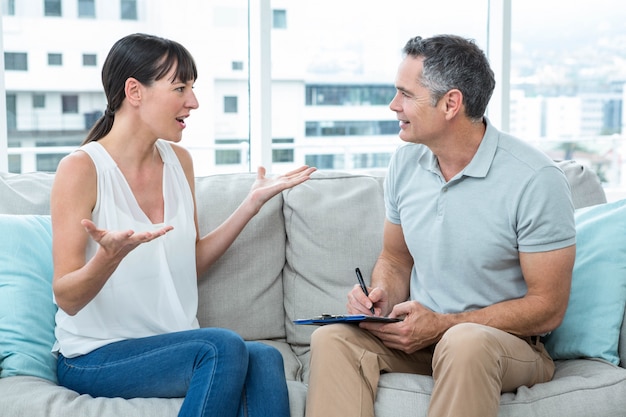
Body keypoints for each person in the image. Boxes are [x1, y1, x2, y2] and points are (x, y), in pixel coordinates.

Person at [305, 34, 576, 417]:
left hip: (504, 345)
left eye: (406, 94)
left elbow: (548, 307)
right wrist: (380, 295)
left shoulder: (535, 179)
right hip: (421, 339)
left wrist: (446, 324)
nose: (393, 105)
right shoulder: (405, 163)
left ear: (451, 103)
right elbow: (396, 259)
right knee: (333, 339)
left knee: (464, 341)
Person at [50, 33, 316, 417]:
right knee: (220, 346)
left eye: (192, 88)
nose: (193, 102)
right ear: (134, 91)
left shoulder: (179, 161)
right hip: (93, 356)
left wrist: (250, 205)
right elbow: (67, 297)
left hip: (171, 345)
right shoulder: (82, 168)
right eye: (180, 88)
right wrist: (108, 258)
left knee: (264, 357)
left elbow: (188, 264)